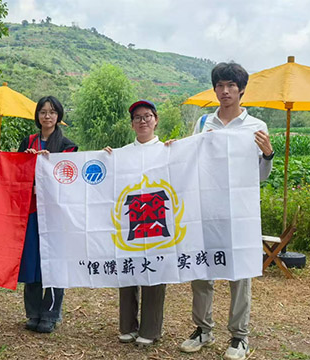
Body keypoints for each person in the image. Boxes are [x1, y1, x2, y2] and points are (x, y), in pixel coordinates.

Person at [166, 62, 274, 360]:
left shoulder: (257, 127)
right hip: (205, 209)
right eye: (220, 85)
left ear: (242, 90)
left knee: (240, 273)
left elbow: (261, 176)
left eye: (231, 86)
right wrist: (173, 150)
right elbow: (190, 161)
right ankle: (203, 329)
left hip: (239, 212)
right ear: (214, 89)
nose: (225, 91)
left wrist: (268, 154)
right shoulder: (203, 124)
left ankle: (239, 337)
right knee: (202, 269)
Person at [103, 100, 167, 347]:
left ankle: (151, 329)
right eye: (138, 117)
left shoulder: (168, 149)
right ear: (132, 124)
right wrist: (105, 158)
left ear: (156, 120)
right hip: (130, 217)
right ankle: (127, 326)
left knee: (154, 272)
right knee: (128, 269)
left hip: (158, 217)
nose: (143, 121)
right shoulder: (120, 153)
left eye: (147, 116)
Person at [17, 96, 78, 333]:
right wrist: (26, 160)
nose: (47, 116)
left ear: (59, 116)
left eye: (52, 112)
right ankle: (32, 313)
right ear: (37, 116)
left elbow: (70, 178)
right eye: (43, 112)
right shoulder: (28, 141)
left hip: (55, 211)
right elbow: (17, 173)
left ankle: (51, 314)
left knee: (54, 262)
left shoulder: (67, 146)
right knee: (32, 261)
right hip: (31, 210)